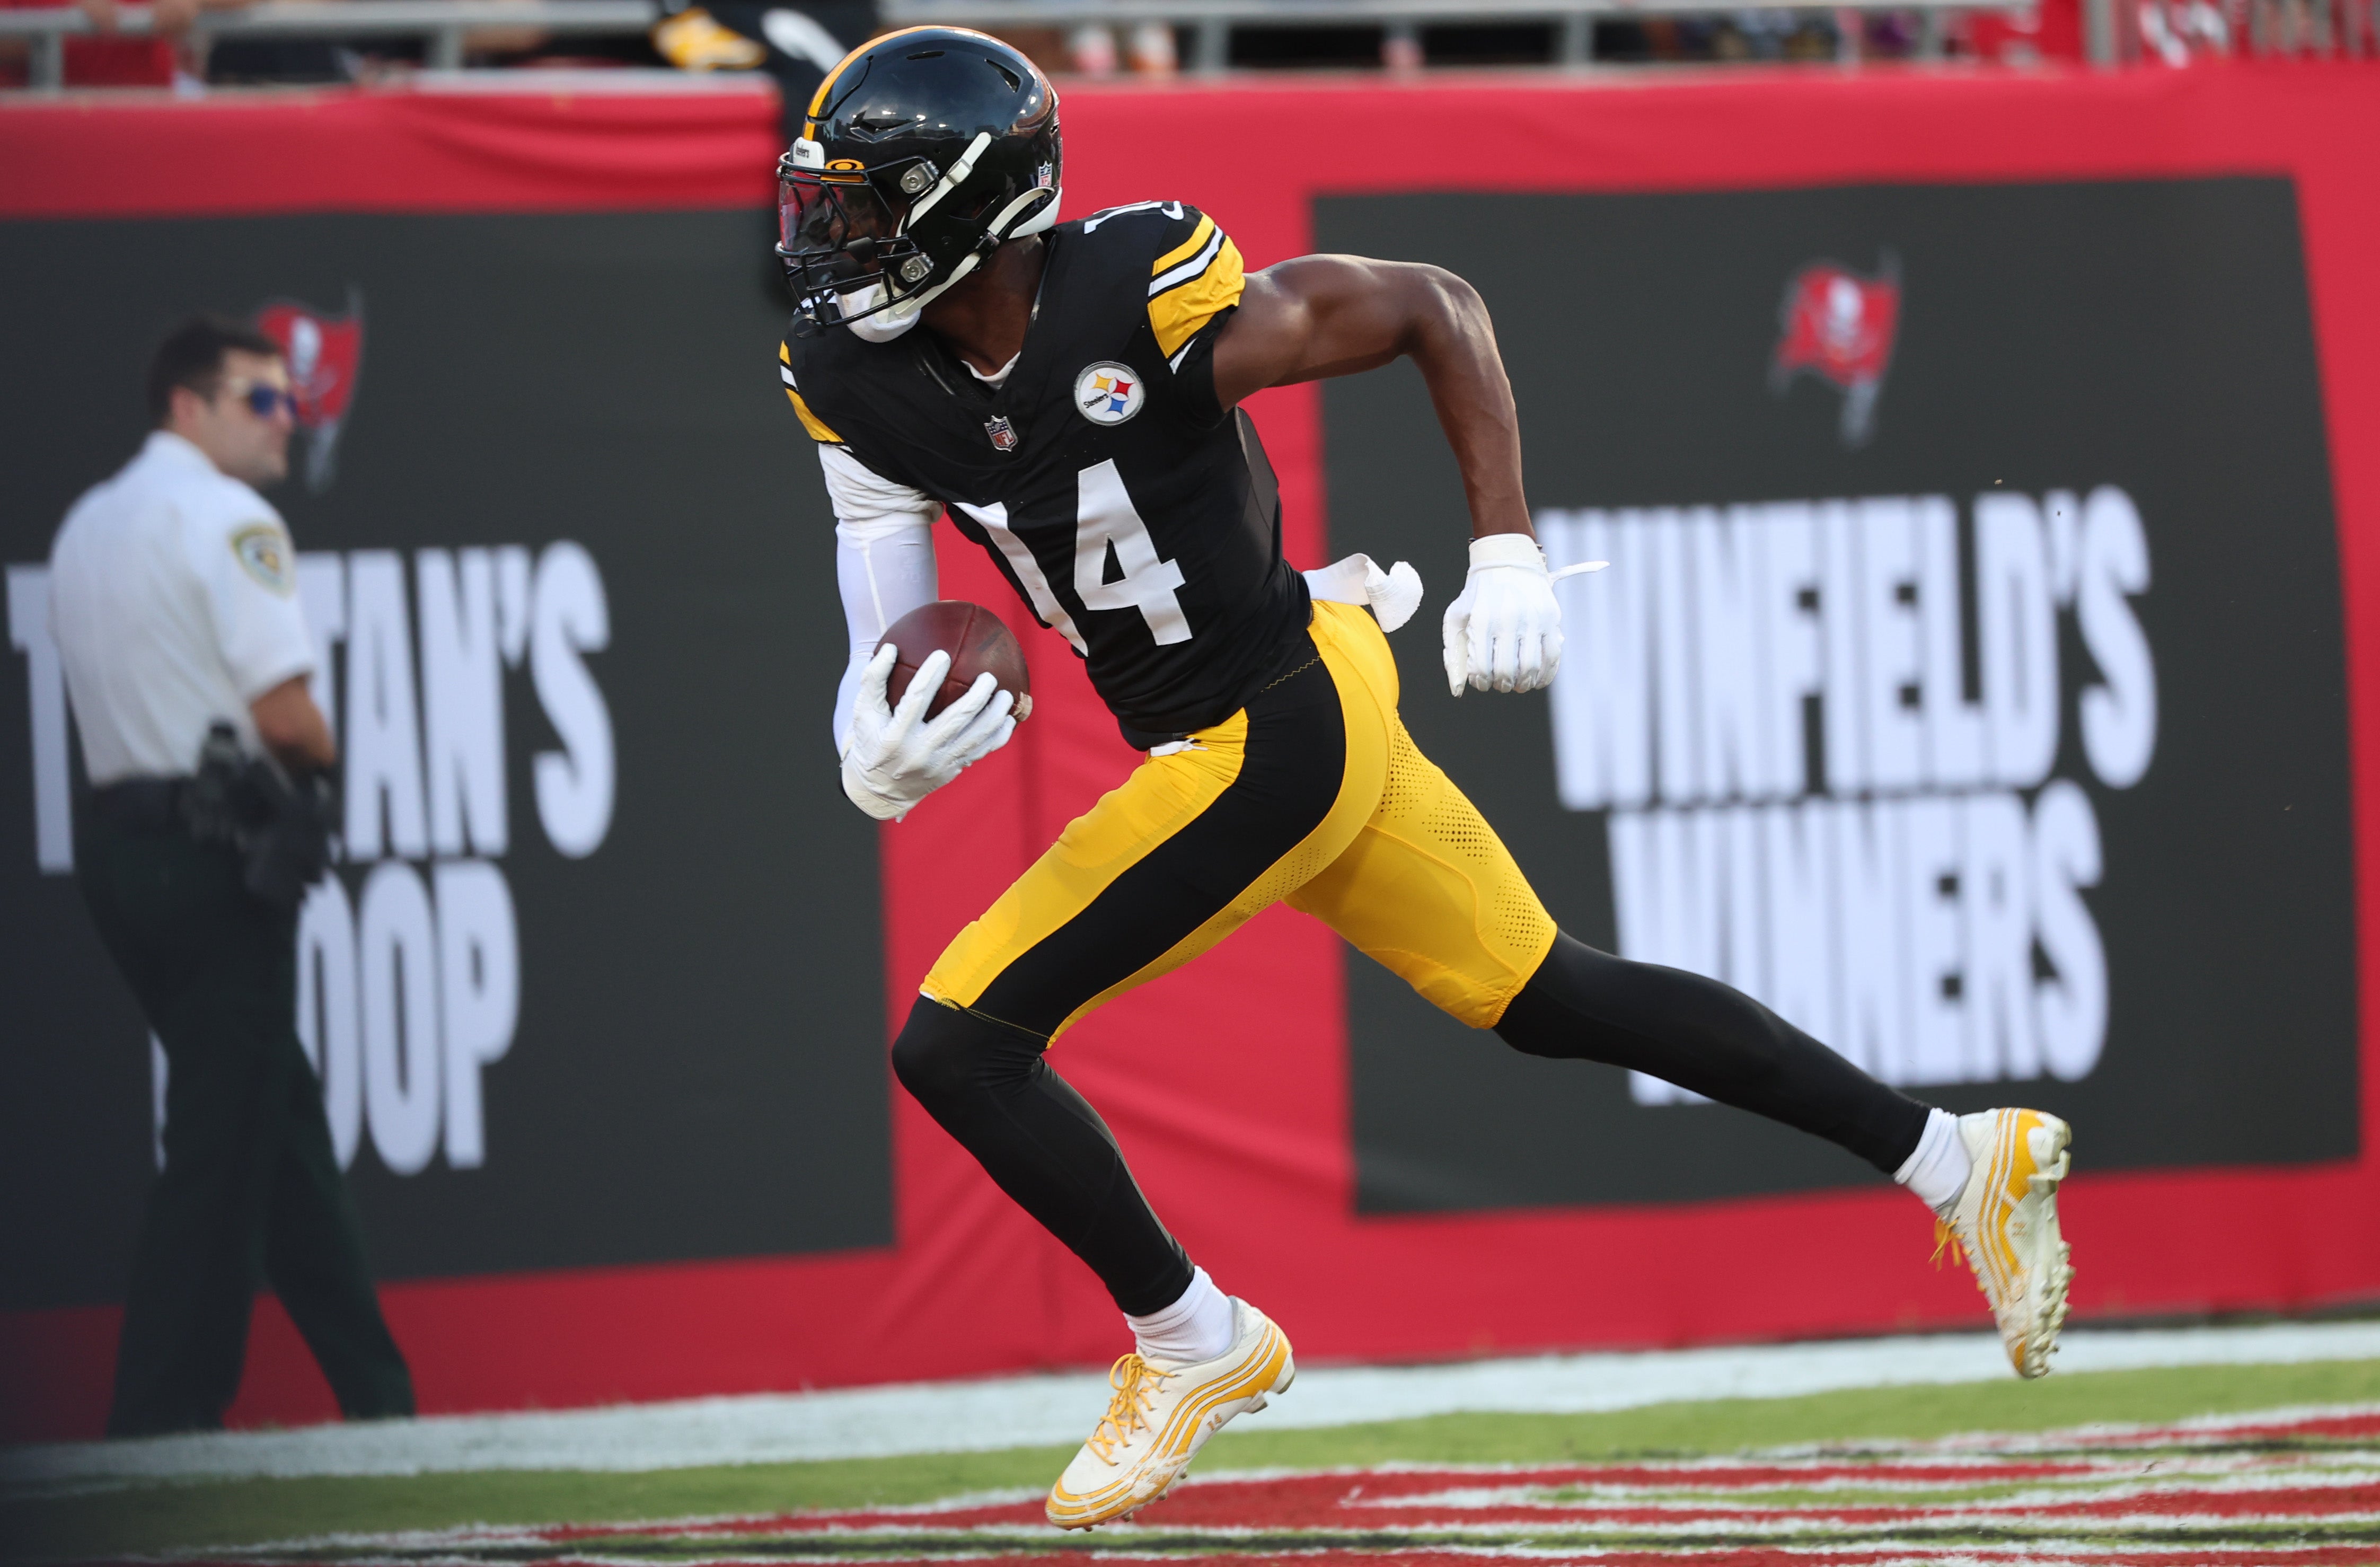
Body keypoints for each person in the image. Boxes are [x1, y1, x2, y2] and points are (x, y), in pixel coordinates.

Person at [773, 30, 2074, 1530]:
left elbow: (1433, 308)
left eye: (865, 206)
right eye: (830, 204)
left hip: (1267, 727)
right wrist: (866, 737)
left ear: (972, 203)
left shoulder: (1137, 292)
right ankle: (1952, 1154)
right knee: (1553, 994)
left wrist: (1505, 543)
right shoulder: (848, 374)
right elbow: (885, 621)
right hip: (1296, 705)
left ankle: (1192, 1337)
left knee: (958, 1042)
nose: (831, 239)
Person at [50, 316, 414, 1438]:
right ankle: (163, 1411)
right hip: (216, 859)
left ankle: (380, 1398)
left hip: (121, 853)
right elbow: (285, 712)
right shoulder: (229, 518)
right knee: (221, 1140)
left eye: (290, 400)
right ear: (189, 406)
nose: (287, 420)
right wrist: (327, 771)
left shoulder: (87, 523)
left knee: (271, 1118)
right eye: (261, 399)